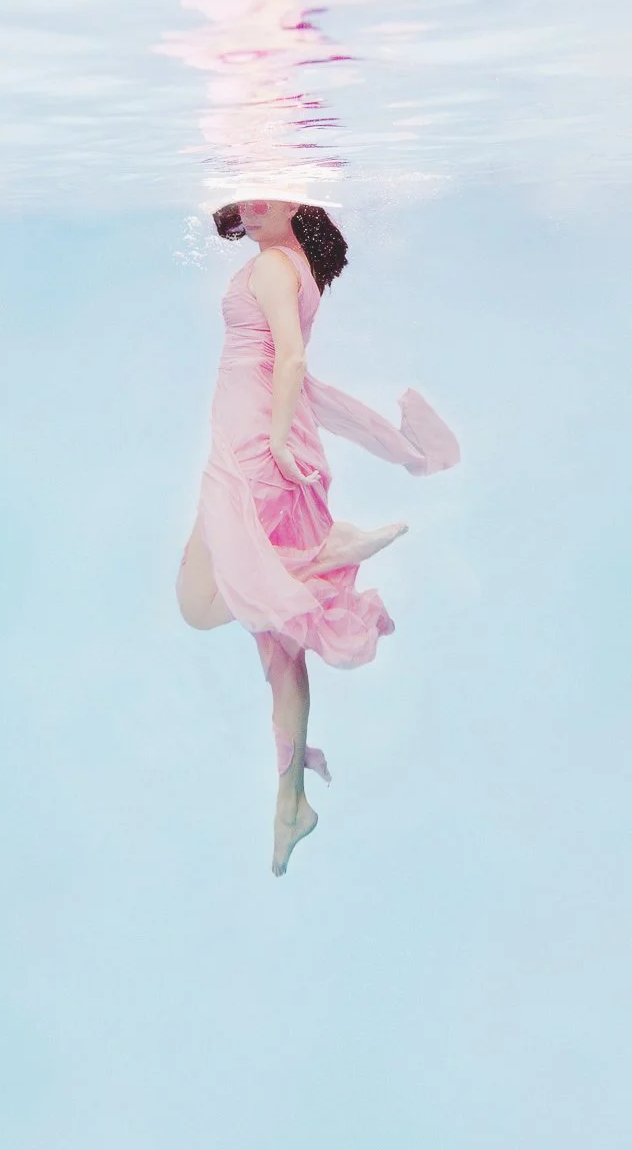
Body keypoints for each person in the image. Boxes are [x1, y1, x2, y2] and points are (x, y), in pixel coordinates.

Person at [175, 186, 460, 877]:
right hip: (262, 442)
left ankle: (318, 558)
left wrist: (274, 443)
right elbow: (288, 362)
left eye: (265, 193)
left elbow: (293, 359)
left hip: (253, 449)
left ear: (298, 201)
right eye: (242, 194)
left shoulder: (275, 268)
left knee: (201, 604)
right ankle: (290, 803)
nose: (247, 202)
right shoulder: (292, 264)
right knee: (279, 643)